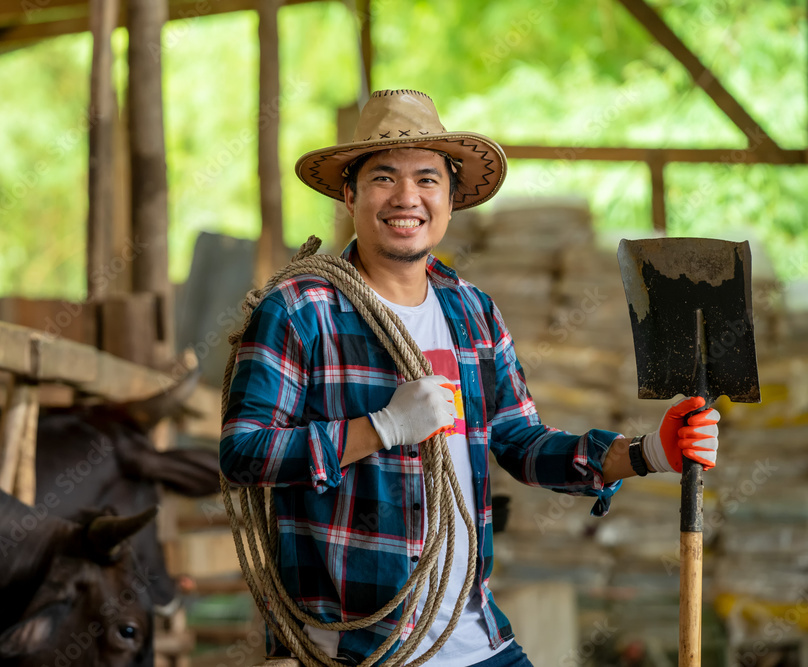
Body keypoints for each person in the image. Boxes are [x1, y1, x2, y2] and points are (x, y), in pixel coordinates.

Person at [218, 89, 720, 667]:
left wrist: (649, 452)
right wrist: (381, 427)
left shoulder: (471, 310)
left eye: (428, 180)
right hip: (359, 646)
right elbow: (245, 452)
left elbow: (522, 444)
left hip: (474, 636)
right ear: (350, 194)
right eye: (384, 178)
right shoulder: (300, 309)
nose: (407, 197)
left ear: (451, 200)